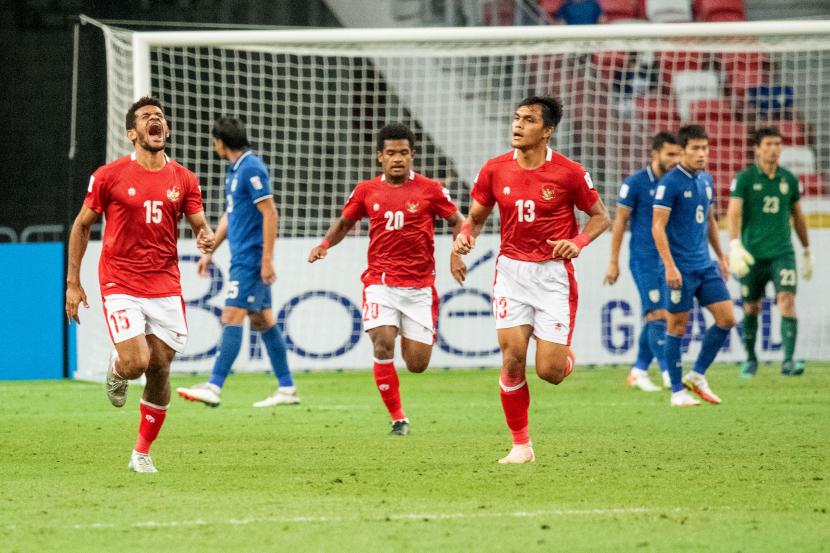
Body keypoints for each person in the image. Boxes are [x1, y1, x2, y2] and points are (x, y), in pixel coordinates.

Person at [453, 96, 610, 464]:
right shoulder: (494, 169)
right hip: (510, 271)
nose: (518, 125)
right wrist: (464, 239)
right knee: (511, 360)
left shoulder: (570, 173)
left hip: (553, 274)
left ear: (548, 131)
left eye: (528, 120)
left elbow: (601, 216)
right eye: (516, 118)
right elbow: (474, 218)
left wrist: (577, 241)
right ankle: (521, 446)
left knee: (550, 373)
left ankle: (563, 354)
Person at [65, 96, 215, 473]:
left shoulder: (184, 178)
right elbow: (82, 225)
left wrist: (205, 235)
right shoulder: (109, 176)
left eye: (160, 117)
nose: (155, 121)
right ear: (132, 133)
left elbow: (199, 223)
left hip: (164, 284)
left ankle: (141, 453)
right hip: (120, 280)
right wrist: (73, 283)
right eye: (147, 117)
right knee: (136, 363)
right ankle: (117, 368)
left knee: (161, 367)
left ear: (167, 130)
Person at [308, 123, 465, 436]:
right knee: (382, 344)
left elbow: (459, 222)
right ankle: (398, 419)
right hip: (380, 283)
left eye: (403, 153)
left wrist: (456, 253)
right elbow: (344, 222)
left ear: (412, 155)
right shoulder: (367, 190)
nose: (398, 158)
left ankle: (410, 336)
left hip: (420, 287)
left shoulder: (430, 189)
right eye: (391, 153)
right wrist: (325, 244)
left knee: (417, 364)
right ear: (380, 157)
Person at [176, 118, 300, 408]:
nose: (213, 145)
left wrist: (266, 260)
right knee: (262, 320)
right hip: (242, 256)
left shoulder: (252, 167)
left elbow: (270, 213)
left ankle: (214, 386)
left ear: (221, 141)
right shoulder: (235, 171)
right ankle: (286, 387)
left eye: (213, 140)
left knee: (231, 315)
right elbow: (231, 217)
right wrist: (210, 251)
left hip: (251, 259)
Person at [652, 124, 736, 407]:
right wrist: (669, 266)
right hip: (681, 268)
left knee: (727, 318)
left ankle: (697, 374)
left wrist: (721, 255)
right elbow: (657, 227)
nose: (702, 154)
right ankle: (677, 391)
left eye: (705, 148)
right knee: (677, 326)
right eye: (696, 149)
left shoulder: (706, 180)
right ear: (683, 150)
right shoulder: (670, 183)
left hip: (705, 265)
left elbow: (710, 219)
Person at [726, 127, 812, 378]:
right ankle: (751, 359)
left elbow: (798, 216)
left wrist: (806, 250)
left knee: (786, 301)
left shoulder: (789, 179)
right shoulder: (745, 178)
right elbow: (733, 212)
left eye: (778, 143)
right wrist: (734, 244)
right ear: (757, 148)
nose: (774, 148)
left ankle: (788, 361)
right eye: (769, 144)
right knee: (751, 307)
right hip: (752, 255)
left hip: (782, 253)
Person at [605, 132, 681, 392]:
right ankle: (669, 372)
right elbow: (619, 223)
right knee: (657, 314)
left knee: (661, 316)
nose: (675, 160)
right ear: (655, 154)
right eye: (670, 154)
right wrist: (613, 261)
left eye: (678, 155)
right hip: (644, 259)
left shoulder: (677, 183)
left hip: (670, 260)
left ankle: (638, 370)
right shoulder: (635, 183)